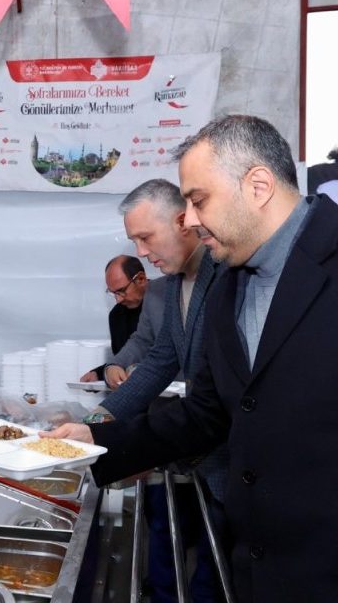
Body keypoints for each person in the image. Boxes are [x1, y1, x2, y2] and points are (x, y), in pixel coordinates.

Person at [45, 115, 338, 603]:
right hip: (262, 577)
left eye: (198, 200)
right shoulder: (228, 282)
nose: (188, 219)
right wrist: (96, 439)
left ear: (257, 186)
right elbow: (209, 412)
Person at [87, 178, 227, 603]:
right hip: (204, 454)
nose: (143, 253)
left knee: (220, 574)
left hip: (230, 458)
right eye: (135, 241)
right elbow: (158, 361)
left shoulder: (225, 276)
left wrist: (110, 440)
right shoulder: (175, 286)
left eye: (146, 238)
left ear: (183, 221)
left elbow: (216, 399)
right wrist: (96, 421)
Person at [79, 254, 149, 382]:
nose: (118, 299)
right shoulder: (117, 315)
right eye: (113, 293)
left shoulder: (166, 302)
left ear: (141, 279)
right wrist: (99, 374)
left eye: (122, 291)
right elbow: (123, 358)